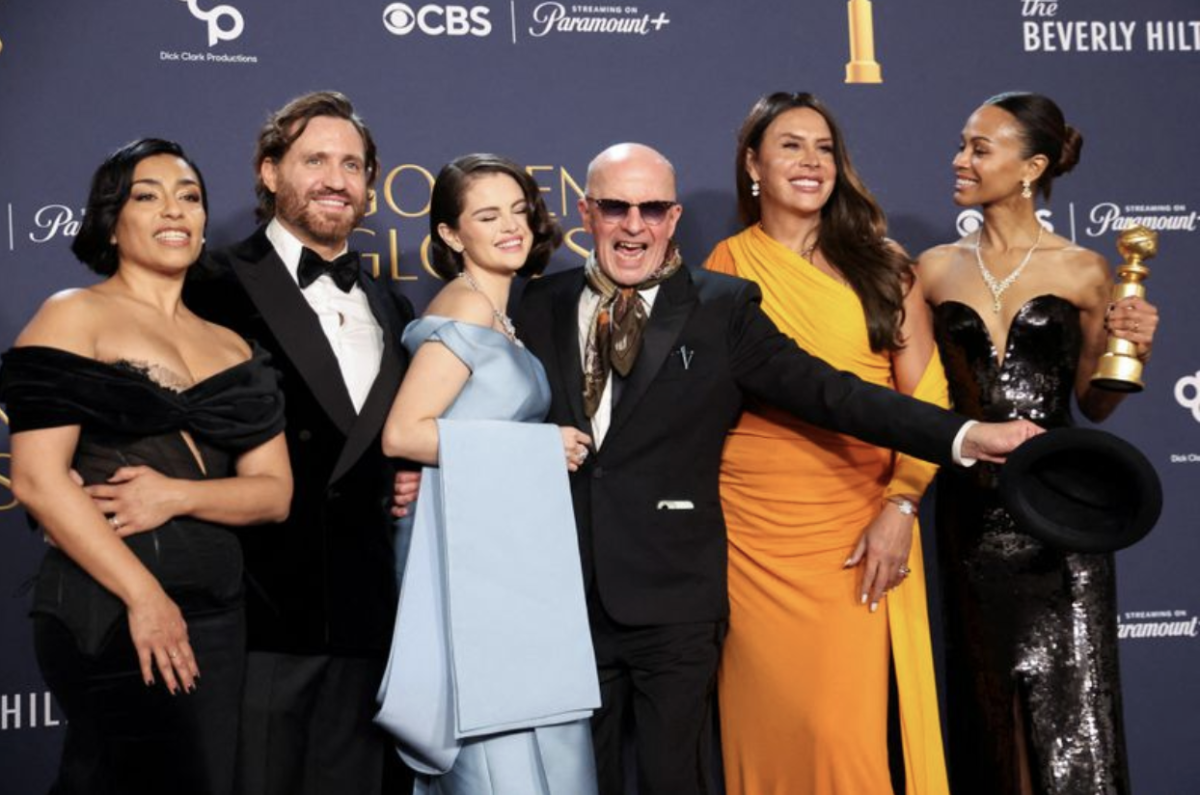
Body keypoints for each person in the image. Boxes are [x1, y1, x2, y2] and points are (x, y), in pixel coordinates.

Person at [514, 142, 1040, 795]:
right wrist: (429, 467)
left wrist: (960, 433)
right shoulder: (534, 304)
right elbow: (477, 409)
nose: (633, 224)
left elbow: (836, 393)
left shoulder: (722, 306)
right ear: (587, 212)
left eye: (651, 208)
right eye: (616, 207)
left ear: (674, 216)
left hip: (673, 601)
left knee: (672, 780)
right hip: (562, 598)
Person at [0, 139, 291, 795]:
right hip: (107, 606)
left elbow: (273, 494)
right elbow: (37, 479)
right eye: (147, 194)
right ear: (111, 219)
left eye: (190, 197)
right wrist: (144, 596)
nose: (174, 211)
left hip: (217, 613)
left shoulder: (233, 344)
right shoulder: (74, 313)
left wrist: (176, 495)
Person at [702, 92, 949, 794]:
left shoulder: (884, 265)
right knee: (772, 722)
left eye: (824, 148)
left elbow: (926, 395)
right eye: (790, 145)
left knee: (845, 731)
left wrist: (902, 504)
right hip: (752, 531)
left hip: (860, 521)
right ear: (753, 163)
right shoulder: (726, 264)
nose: (811, 162)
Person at [918, 91, 1159, 795]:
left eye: (979, 148)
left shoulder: (1085, 269)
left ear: (1032, 168)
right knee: (990, 713)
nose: (960, 159)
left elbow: (1096, 403)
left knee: (1072, 720)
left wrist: (1133, 345)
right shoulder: (931, 269)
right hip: (971, 519)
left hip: (1062, 521)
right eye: (962, 144)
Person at [183, 91, 416, 795]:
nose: (336, 179)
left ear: (372, 186)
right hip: (256, 613)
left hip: (365, 614)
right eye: (315, 159)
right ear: (268, 170)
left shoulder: (391, 303)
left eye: (353, 164)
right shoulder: (211, 283)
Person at [377, 153, 600, 794]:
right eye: (486, 214)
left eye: (519, 210)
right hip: (470, 576)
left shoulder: (502, 313)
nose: (511, 226)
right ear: (451, 235)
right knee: (496, 749)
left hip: (509, 570)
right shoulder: (466, 312)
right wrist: (537, 448)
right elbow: (404, 432)